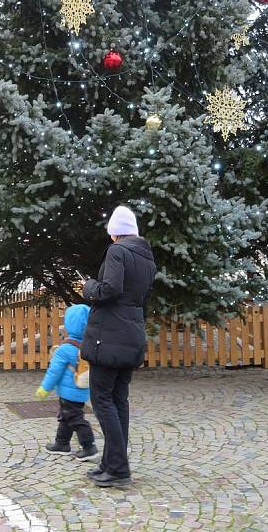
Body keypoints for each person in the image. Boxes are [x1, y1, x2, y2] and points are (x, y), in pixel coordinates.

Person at [81, 205, 156, 487]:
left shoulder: (117, 251)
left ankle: (118, 469)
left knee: (102, 401)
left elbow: (108, 289)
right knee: (118, 401)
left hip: (109, 335)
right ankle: (111, 463)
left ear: (115, 233)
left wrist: (88, 286)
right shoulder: (146, 258)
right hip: (131, 333)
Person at [36, 304, 98, 461]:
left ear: (69, 324)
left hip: (68, 392)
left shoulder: (64, 349)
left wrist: (45, 389)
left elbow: (54, 372)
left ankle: (89, 446)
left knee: (75, 418)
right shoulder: (88, 346)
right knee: (66, 416)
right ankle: (61, 443)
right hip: (81, 389)